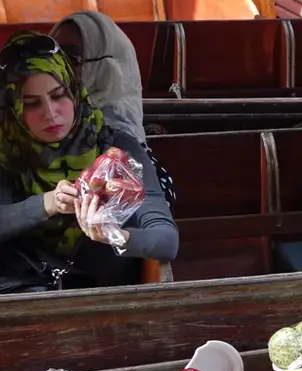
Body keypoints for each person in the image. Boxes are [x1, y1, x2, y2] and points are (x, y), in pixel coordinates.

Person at [0, 32, 178, 293]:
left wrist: (113, 235)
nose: (51, 113)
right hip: (21, 297)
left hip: (101, 297)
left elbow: (166, 240)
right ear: (13, 109)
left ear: (74, 91)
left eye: (58, 95)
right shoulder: (7, 153)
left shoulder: (115, 146)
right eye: (31, 104)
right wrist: (47, 203)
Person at [50, 11, 176, 206]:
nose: (57, 66)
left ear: (108, 69)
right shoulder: (38, 128)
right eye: (55, 54)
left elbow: (159, 226)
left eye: (71, 56)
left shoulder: (121, 144)